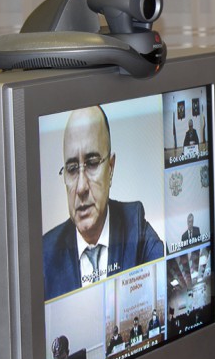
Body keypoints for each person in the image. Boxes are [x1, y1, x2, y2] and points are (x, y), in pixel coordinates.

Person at [43, 106, 164, 300]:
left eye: (92, 163)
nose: (81, 187)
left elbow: (166, 281)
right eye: (72, 169)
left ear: (110, 168)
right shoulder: (45, 254)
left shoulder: (135, 226)